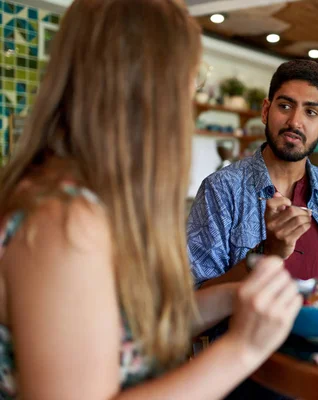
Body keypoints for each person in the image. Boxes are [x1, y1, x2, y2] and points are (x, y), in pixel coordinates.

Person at [0, 0, 301, 399]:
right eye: (189, 83)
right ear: (148, 91)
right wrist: (242, 349)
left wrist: (236, 296)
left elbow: (127, 332)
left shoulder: (89, 201)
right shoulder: (63, 221)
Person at [187, 59, 318, 289]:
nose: (295, 122)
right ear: (266, 111)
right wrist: (265, 254)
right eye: (285, 106)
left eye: (311, 112)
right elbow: (195, 296)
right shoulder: (221, 189)